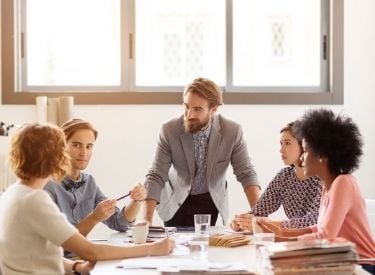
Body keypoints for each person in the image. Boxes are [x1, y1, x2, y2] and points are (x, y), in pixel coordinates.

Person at [0, 123, 174, 274]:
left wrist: (76, 267)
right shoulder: (35, 200)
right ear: (56, 156)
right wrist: (152, 248)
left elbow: (38, 254)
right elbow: (90, 252)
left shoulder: (13, 193)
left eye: (89, 146)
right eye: (69, 147)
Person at [258, 109, 375, 274]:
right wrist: (281, 232)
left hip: (363, 265)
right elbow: (318, 229)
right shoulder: (328, 185)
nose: (301, 158)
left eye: (305, 151)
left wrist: (280, 239)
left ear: (321, 156)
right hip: (339, 262)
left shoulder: (343, 183)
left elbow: (325, 237)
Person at [144, 77, 261, 227]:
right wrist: (146, 219)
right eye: (186, 106)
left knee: (205, 247)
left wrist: (260, 215)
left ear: (213, 109)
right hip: (175, 201)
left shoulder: (232, 131)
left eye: (198, 109)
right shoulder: (169, 130)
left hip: (209, 201)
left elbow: (246, 173)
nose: (190, 114)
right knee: (175, 248)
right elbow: (156, 174)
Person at [44, 118, 146, 238]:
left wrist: (137, 200)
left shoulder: (89, 182)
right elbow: (58, 241)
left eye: (89, 146)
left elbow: (119, 223)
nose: (84, 153)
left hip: (82, 255)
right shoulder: (47, 186)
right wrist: (94, 218)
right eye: (76, 145)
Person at [231, 121, 322, 232]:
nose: (281, 150)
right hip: (293, 240)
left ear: (304, 145)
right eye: (281, 144)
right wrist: (240, 221)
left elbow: (314, 221)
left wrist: (268, 224)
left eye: (287, 143)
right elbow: (259, 211)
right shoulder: (284, 177)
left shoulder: (322, 179)